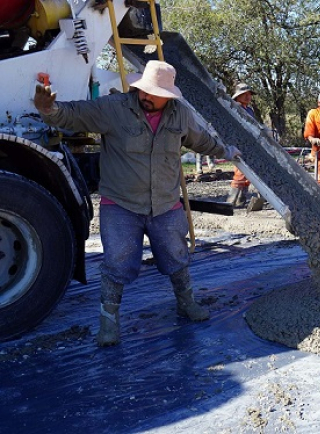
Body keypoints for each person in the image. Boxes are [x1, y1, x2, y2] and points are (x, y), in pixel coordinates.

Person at [33, 60, 241, 346]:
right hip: (121, 205)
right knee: (116, 263)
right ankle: (109, 322)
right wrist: (50, 110)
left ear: (168, 96)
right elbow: (75, 114)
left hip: (166, 204)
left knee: (176, 256)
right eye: (144, 90)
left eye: (153, 93)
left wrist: (227, 150)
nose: (145, 96)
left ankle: (186, 302)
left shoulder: (180, 115)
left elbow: (201, 141)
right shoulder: (115, 108)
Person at [227, 82, 257, 206]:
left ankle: (240, 200)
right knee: (240, 173)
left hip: (249, 144)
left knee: (248, 173)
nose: (247, 96)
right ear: (237, 96)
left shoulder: (249, 110)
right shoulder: (234, 108)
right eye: (244, 94)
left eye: (249, 94)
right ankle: (231, 201)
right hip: (238, 144)